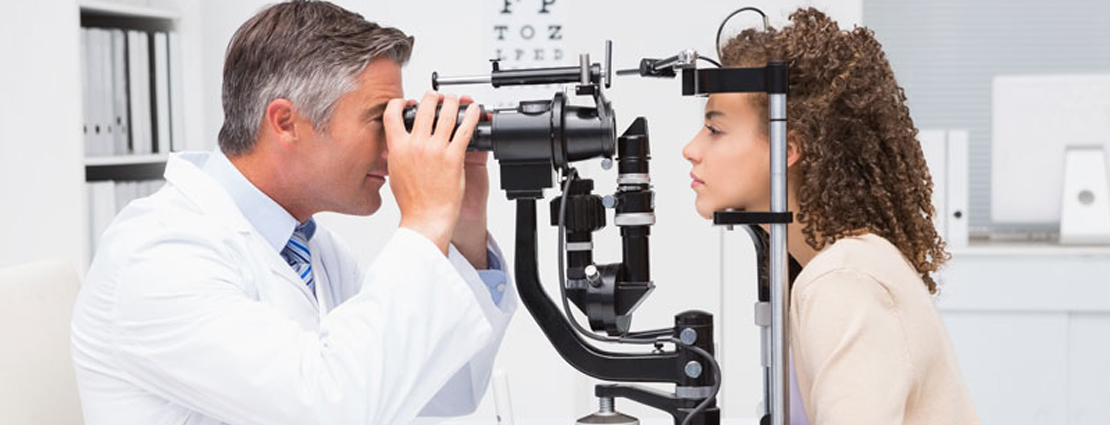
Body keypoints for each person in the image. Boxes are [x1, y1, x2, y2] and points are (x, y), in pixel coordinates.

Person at [70, 1, 516, 424]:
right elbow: (330, 407)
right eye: (380, 121)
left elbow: (444, 389)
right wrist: (423, 221)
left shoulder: (308, 246)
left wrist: (463, 225)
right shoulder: (158, 256)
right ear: (286, 123)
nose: (397, 146)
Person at [682, 8, 980, 424]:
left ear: (788, 150)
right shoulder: (832, 267)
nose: (691, 149)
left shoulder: (842, 282)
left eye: (715, 130)